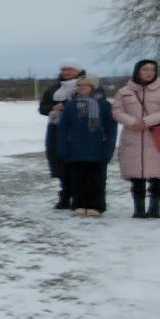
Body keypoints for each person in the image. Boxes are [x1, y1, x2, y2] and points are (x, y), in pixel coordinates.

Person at [112, 59, 160, 219]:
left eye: (152, 69)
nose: (149, 72)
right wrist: (132, 122)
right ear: (137, 71)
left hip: (159, 135)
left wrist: (147, 121)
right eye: (145, 69)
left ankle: (155, 207)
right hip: (134, 136)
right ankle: (139, 208)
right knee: (137, 175)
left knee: (159, 174)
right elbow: (117, 111)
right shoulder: (124, 91)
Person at [55, 76, 116, 216]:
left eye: (86, 85)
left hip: (97, 149)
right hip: (76, 149)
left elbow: (111, 129)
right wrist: (63, 147)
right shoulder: (71, 105)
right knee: (78, 179)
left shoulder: (104, 105)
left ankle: (96, 206)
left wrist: (108, 149)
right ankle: (79, 204)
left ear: (93, 87)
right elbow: (63, 128)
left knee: (97, 180)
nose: (82, 88)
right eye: (80, 85)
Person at [39, 60, 85, 209]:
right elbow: (42, 108)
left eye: (69, 69)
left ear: (77, 70)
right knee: (59, 161)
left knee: (76, 163)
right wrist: (53, 107)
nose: (65, 72)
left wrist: (66, 106)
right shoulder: (54, 88)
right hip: (56, 128)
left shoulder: (86, 85)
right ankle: (64, 195)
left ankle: (78, 196)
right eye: (63, 70)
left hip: (78, 129)